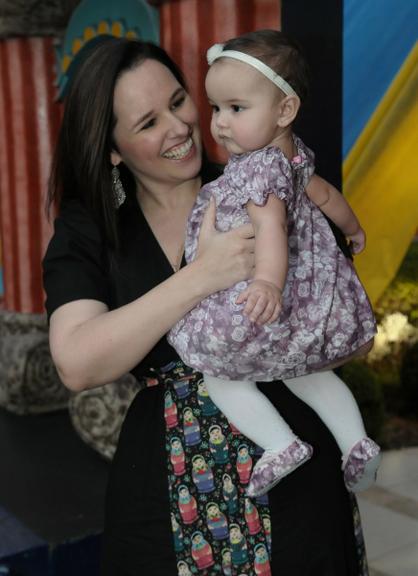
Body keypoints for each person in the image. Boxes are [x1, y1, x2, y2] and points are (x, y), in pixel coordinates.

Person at [43, 36, 369, 575]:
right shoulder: (90, 231)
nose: (178, 128)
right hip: (168, 490)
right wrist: (204, 275)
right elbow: (77, 362)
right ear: (113, 148)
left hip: (295, 471)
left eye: (177, 101)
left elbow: (337, 311)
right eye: (148, 123)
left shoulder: (258, 183)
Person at [168, 29, 380, 498]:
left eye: (236, 109)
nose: (220, 123)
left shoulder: (257, 167)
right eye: (216, 108)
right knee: (308, 371)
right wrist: (353, 228)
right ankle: (356, 441)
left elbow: (268, 229)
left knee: (218, 374)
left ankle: (279, 443)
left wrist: (266, 282)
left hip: (265, 291)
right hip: (306, 295)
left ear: (284, 110)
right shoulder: (293, 155)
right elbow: (324, 194)